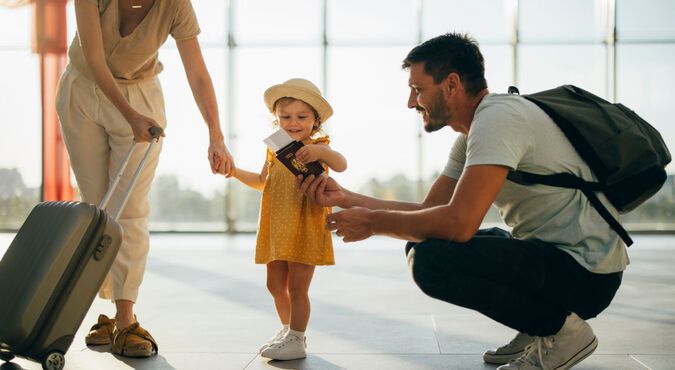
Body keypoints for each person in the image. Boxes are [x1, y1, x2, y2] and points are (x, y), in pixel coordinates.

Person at [298, 33, 626, 370]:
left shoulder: (499, 119)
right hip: (556, 260)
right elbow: (430, 213)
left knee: (432, 260)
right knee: (422, 243)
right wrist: (348, 199)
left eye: (417, 89)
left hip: (586, 275)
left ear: (451, 84)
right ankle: (537, 326)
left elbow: (458, 224)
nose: (411, 103)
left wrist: (373, 223)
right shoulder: (473, 133)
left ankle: (560, 330)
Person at [55, 0, 234, 358]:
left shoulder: (176, 6)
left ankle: (125, 316)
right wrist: (128, 115)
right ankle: (103, 309)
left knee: (130, 207)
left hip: (140, 93)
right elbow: (94, 57)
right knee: (98, 207)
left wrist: (216, 135)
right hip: (82, 89)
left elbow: (197, 72)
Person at [225, 78, 347, 361]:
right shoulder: (275, 147)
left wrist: (319, 152)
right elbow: (261, 181)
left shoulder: (319, 145)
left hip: (305, 225)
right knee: (274, 285)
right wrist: (233, 172)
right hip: (276, 226)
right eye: (285, 116)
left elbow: (341, 164)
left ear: (315, 120)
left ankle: (298, 337)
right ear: (276, 119)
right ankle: (287, 331)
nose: (293, 123)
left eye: (302, 117)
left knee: (297, 287)